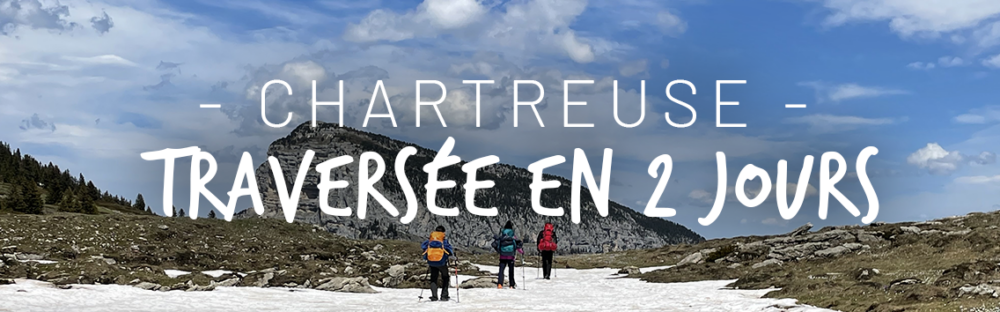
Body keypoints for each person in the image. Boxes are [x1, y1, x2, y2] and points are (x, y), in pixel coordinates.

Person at [421, 225, 454, 301]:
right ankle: (444, 296)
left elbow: (423, 246)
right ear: (443, 232)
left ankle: (434, 296)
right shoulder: (443, 241)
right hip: (442, 262)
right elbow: (449, 249)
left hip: (432, 262)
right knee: (445, 277)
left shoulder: (430, 241)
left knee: (433, 278)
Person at [491, 220, 524, 289]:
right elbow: (517, 246)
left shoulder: (502, 236)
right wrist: (521, 252)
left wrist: (498, 251)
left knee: (501, 270)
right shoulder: (513, 237)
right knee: (511, 270)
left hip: (502, 256)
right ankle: (511, 285)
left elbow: (494, 244)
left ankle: (500, 284)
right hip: (511, 256)